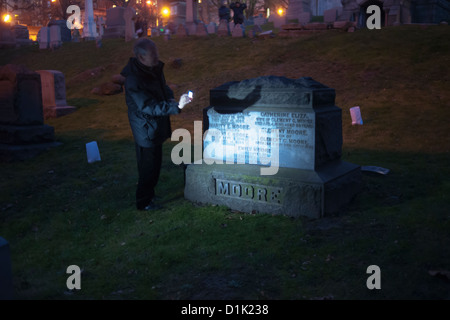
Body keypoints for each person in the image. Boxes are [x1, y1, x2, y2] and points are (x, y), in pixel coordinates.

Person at [120, 38, 192, 211]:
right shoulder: (133, 79)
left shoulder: (152, 68)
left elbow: (163, 87)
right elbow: (147, 106)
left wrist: (170, 98)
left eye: (156, 54)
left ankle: (149, 193)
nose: (157, 58)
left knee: (154, 163)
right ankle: (143, 202)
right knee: (148, 167)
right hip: (145, 128)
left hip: (154, 125)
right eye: (153, 56)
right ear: (140, 57)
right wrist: (177, 106)